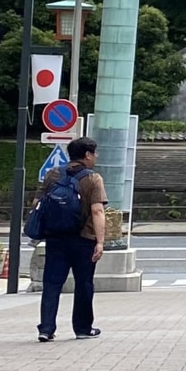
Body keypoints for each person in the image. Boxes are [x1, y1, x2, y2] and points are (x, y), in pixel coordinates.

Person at [36, 138, 107, 342]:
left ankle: (46, 328)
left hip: (56, 237)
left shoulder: (53, 174)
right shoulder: (93, 179)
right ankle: (83, 328)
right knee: (84, 283)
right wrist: (100, 242)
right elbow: (97, 210)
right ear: (87, 155)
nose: (96, 157)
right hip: (83, 239)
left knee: (51, 283)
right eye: (95, 153)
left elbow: (37, 203)